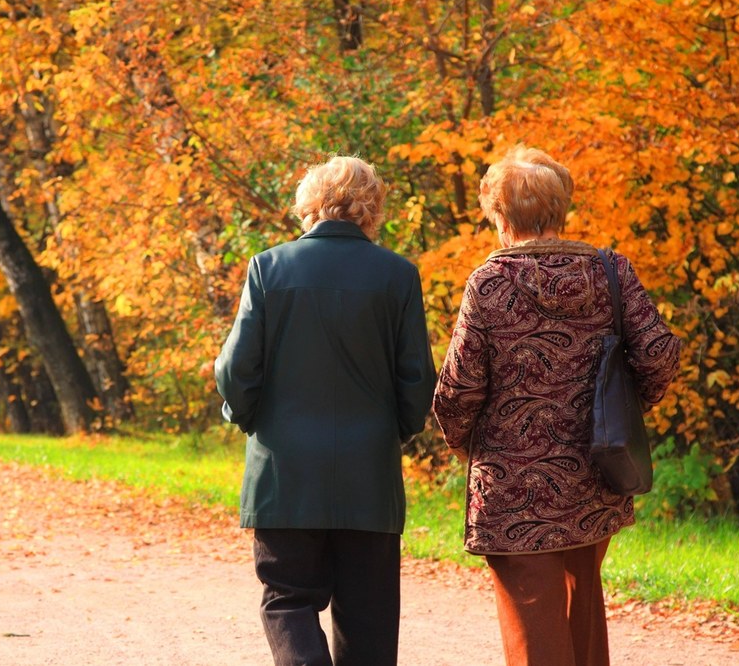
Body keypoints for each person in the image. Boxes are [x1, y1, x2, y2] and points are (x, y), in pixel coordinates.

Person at [431, 146, 682, 666]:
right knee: (581, 609)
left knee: (532, 628)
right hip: (595, 473)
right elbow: (659, 353)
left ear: (500, 217)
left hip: (512, 485)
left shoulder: (490, 282)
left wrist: (462, 444)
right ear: (560, 208)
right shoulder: (610, 271)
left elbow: (458, 389)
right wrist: (629, 412)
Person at [215, 156, 437, 666]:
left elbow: (235, 370)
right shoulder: (398, 275)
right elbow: (416, 380)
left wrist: (249, 418)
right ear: (372, 207)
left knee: (288, 599)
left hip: (284, 470)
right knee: (370, 613)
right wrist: (391, 433)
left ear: (308, 204)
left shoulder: (269, 267)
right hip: (368, 472)